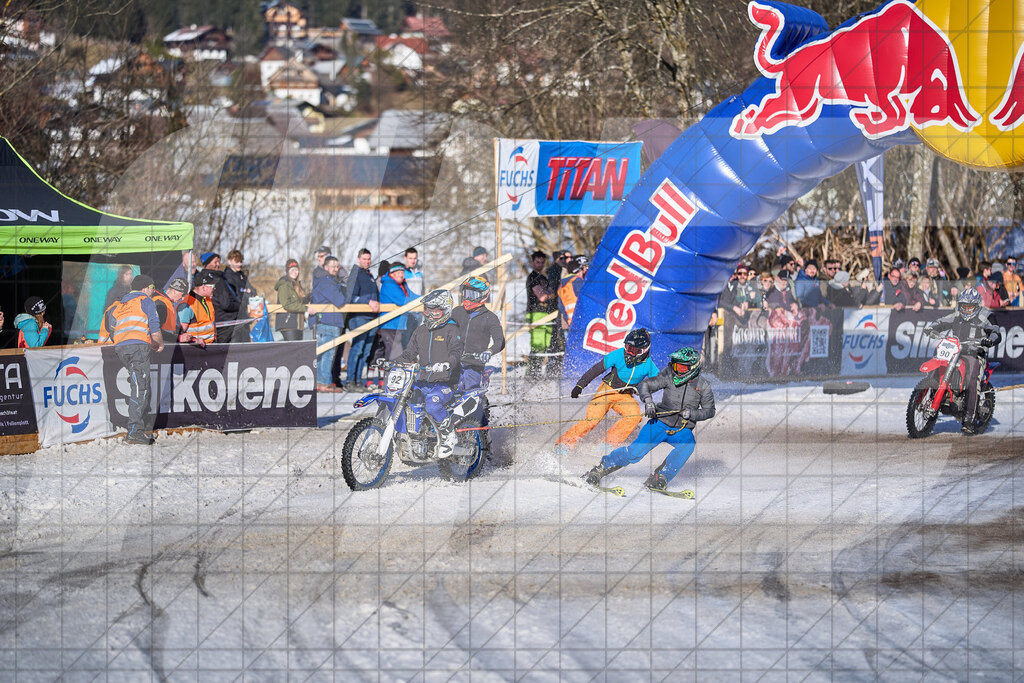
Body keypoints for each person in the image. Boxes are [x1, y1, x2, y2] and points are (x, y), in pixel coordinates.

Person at [583, 347, 715, 492]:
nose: (678, 370)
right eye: (676, 365)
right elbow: (644, 385)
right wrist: (649, 402)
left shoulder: (703, 385)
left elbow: (709, 411)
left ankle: (660, 478)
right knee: (635, 454)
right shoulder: (668, 375)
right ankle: (601, 468)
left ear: (693, 367)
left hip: (681, 429)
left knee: (688, 444)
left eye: (682, 367)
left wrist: (692, 414)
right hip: (659, 423)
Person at [556, 328, 657, 453]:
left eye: (634, 350)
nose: (629, 353)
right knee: (592, 420)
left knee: (634, 416)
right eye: (628, 348)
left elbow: (658, 382)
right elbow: (595, 370)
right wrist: (580, 385)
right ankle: (564, 443)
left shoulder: (649, 364)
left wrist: (642, 388)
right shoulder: (617, 354)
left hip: (625, 396)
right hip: (607, 391)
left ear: (644, 351)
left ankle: (607, 443)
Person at [397, 289, 464, 457]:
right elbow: (409, 353)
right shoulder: (420, 331)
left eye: (436, 311)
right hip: (422, 381)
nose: (432, 314)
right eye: (428, 310)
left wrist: (448, 364)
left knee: (432, 405)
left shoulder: (452, 329)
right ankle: (414, 435)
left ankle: (449, 435)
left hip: (445, 383)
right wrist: (394, 362)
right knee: (403, 400)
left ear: (446, 310)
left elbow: (456, 352)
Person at [924, 289, 1000, 434]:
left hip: (975, 353)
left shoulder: (986, 316)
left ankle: (969, 420)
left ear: (976, 306)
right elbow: (943, 321)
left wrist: (990, 340)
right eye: (963, 306)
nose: (966, 309)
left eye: (969, 307)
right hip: (955, 351)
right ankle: (933, 397)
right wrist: (931, 327)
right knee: (938, 362)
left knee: (972, 379)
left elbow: (996, 331)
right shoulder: (957, 314)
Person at [106, 274, 164, 444]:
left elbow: (111, 327)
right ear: (145, 288)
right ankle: (134, 431)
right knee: (140, 388)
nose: (153, 293)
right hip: (138, 347)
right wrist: (158, 344)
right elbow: (154, 327)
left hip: (121, 348)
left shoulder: (120, 304)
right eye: (152, 289)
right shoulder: (145, 301)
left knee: (139, 384)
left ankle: (140, 425)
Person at [451, 275, 505, 390]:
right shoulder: (457, 312)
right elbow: (445, 331)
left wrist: (489, 351)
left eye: (472, 295)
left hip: (474, 363)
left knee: (471, 390)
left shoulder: (490, 318)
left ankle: (479, 405)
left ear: (482, 296)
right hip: (453, 360)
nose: (468, 298)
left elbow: (500, 341)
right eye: (466, 294)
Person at [345, 248, 380, 390]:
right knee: (357, 349)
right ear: (358, 259)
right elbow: (350, 297)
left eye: (369, 259)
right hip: (359, 317)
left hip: (372, 318)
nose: (367, 261)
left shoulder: (369, 275)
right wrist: (368, 301)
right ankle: (349, 381)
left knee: (365, 351)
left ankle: (358, 380)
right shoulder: (355, 273)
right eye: (364, 259)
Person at [312, 256, 348, 391]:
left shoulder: (322, 281)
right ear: (326, 267)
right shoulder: (327, 281)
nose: (335, 269)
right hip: (329, 322)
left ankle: (320, 382)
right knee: (328, 354)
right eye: (332, 266)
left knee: (322, 353)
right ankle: (324, 382)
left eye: (336, 266)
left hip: (324, 321)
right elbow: (339, 300)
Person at [213, 249, 256, 343]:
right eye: (236, 262)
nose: (239, 264)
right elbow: (232, 298)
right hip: (231, 320)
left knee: (245, 346)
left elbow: (253, 292)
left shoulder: (242, 276)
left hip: (243, 318)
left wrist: (248, 294)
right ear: (229, 261)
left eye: (241, 261)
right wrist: (245, 294)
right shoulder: (226, 278)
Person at [526, 250, 557, 379]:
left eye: (542, 262)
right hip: (536, 313)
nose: (540, 264)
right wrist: (551, 295)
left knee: (544, 347)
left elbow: (549, 294)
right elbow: (542, 296)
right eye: (537, 262)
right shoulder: (532, 277)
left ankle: (536, 373)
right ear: (532, 262)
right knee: (537, 347)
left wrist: (550, 295)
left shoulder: (543, 278)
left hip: (547, 313)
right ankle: (531, 375)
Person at [378, 262, 417, 360]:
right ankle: (390, 374)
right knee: (394, 353)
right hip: (389, 324)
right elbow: (402, 300)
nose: (401, 275)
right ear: (392, 273)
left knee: (396, 352)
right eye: (398, 272)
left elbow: (411, 296)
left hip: (398, 324)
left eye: (402, 272)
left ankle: (393, 373)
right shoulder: (389, 284)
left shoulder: (402, 284)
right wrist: (422, 301)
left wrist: (425, 298)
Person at [178, 269, 218, 345]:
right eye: (213, 286)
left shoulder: (207, 299)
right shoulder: (187, 305)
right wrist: (194, 341)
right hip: (195, 349)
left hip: (210, 346)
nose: (215, 288)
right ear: (203, 287)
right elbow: (181, 333)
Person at [275, 259, 309, 342]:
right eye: (292, 270)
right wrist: (306, 308)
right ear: (287, 271)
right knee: (293, 351)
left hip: (298, 324)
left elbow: (299, 301)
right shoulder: (284, 284)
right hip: (288, 323)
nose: (295, 272)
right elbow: (287, 304)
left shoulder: (297, 285)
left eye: (296, 270)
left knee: (298, 351)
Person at [557, 255, 588, 329]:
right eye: (584, 268)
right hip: (583, 320)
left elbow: (561, 307)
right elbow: (587, 298)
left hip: (572, 323)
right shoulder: (577, 281)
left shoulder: (561, 285)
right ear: (580, 270)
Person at [402, 247, 425, 347]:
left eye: (415, 258)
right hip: (408, 312)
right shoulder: (403, 273)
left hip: (419, 312)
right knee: (406, 340)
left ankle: (413, 361)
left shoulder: (419, 274)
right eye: (410, 258)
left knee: (416, 340)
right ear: (405, 258)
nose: (413, 261)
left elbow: (422, 291)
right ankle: (405, 361)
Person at [152, 279, 185, 344]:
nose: (182, 298)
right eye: (182, 295)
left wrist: (184, 334)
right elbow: (156, 330)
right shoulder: (160, 303)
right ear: (174, 292)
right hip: (162, 345)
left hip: (167, 343)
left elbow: (170, 325)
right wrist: (178, 338)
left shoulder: (166, 302)